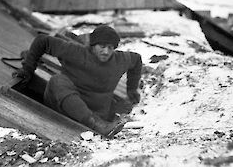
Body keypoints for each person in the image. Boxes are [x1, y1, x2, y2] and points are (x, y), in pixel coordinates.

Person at [13, 25, 142, 138]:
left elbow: (136, 60)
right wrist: (28, 69)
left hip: (98, 113)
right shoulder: (76, 52)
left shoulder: (119, 60)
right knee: (57, 81)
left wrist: (132, 89)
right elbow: (42, 41)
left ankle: (98, 123)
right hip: (63, 106)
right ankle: (96, 124)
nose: (106, 51)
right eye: (102, 46)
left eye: (110, 47)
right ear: (93, 46)